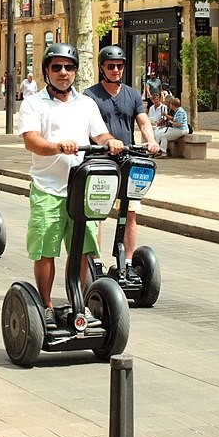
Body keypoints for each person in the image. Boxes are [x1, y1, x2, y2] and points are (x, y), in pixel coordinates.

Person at [18, 43, 123, 330]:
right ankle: (46, 305)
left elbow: (99, 133)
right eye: (57, 67)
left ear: (75, 71)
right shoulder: (33, 104)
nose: (63, 72)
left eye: (69, 67)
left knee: (83, 251)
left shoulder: (86, 103)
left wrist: (109, 141)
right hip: (47, 188)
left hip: (81, 188)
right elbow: (31, 140)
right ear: (46, 71)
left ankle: (76, 303)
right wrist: (56, 147)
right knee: (45, 250)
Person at [84, 45, 160, 282]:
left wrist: (151, 141)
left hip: (128, 160)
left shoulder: (133, 94)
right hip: (100, 162)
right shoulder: (90, 96)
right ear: (101, 68)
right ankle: (94, 261)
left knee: (130, 213)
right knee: (96, 213)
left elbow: (144, 122)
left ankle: (126, 263)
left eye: (119, 66)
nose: (116, 70)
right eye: (111, 66)